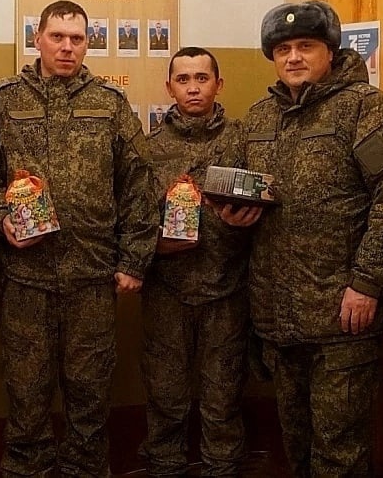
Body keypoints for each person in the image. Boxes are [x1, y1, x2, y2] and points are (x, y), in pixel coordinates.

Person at [0, 0, 158, 477]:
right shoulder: (5, 99)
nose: (67, 47)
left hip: (91, 279)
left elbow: (138, 183)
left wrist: (134, 260)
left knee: (89, 398)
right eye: (57, 36)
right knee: (26, 395)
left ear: (88, 43)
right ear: (37, 39)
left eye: (76, 38)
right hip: (25, 279)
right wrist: (1, 217)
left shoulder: (109, 103)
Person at [237, 0, 383, 477]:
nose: (294, 57)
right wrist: (234, 216)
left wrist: (367, 282)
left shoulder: (366, 111)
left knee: (340, 451)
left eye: (306, 46)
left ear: (331, 51)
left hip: (343, 316)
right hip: (278, 318)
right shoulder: (259, 119)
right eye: (283, 49)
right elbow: (243, 193)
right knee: (296, 445)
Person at [141, 47, 257, 476]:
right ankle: (164, 465)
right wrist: (155, 245)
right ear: (169, 87)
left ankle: (222, 466)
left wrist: (243, 221)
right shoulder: (148, 149)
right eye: (183, 79)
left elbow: (267, 201)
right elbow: (132, 218)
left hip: (227, 287)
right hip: (166, 289)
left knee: (223, 393)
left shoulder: (243, 141)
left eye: (202, 78)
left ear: (218, 84)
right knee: (165, 392)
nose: (193, 88)